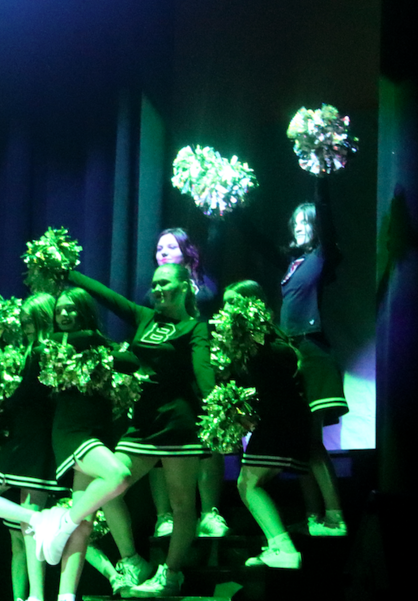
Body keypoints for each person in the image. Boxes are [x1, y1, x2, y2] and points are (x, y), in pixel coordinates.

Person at [60, 264, 214, 598]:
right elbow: (108, 298)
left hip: (178, 425)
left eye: (165, 284)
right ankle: (132, 560)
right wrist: (71, 274)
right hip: (142, 426)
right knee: (112, 483)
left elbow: (203, 369)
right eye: (154, 283)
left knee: (183, 504)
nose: (157, 289)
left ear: (185, 287)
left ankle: (171, 576)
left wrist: (216, 401)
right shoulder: (145, 317)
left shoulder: (194, 327)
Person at [242, 177, 349, 535]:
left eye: (308, 223)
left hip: (313, 353)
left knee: (312, 441)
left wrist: (321, 177)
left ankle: (334, 515)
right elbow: (258, 242)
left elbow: (329, 220)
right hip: (290, 356)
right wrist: (234, 211)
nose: (301, 228)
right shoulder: (292, 264)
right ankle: (315, 515)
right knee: (302, 444)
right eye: (297, 223)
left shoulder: (321, 257)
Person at [29, 287, 134, 601]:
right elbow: (90, 344)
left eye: (71, 308)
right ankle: (62, 520)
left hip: (96, 432)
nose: (63, 314)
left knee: (84, 528)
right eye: (59, 309)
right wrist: (102, 347)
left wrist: (104, 349)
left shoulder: (96, 344)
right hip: (72, 432)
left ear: (85, 311)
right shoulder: (57, 345)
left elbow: (130, 360)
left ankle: (66, 596)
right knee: (118, 476)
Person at [0, 292, 62, 601]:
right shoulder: (32, 351)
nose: (25, 326)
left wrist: (1, 401)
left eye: (31, 320)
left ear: (44, 319)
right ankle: (32, 596)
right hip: (23, 440)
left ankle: (35, 596)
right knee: (22, 522)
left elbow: (32, 396)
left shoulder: (46, 351)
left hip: (34, 441)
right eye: (24, 321)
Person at [218, 280, 311, 569]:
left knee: (248, 483)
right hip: (276, 421)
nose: (226, 309)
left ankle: (283, 548)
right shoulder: (256, 342)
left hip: (281, 422)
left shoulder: (264, 340)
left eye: (233, 302)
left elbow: (279, 369)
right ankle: (277, 545)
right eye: (226, 303)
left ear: (251, 305)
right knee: (249, 483)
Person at [149, 228, 228, 539]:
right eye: (159, 248)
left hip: (202, 371)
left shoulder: (204, 285)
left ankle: (209, 513)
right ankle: (164, 516)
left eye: (170, 246)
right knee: (160, 445)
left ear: (186, 251)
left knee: (210, 441)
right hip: (169, 375)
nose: (163, 252)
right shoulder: (155, 291)